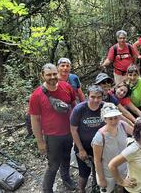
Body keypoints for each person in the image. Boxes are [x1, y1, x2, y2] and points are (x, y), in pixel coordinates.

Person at [29, 63, 76, 192]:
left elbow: (73, 104)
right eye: (48, 75)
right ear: (42, 76)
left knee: (66, 158)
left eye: (54, 74)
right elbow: (35, 119)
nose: (52, 77)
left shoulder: (66, 87)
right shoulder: (37, 95)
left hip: (68, 132)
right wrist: (40, 141)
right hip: (52, 136)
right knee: (53, 165)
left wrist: (76, 126)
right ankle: (47, 189)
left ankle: (66, 179)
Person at [70, 85, 106, 192]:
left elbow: (118, 119)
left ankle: (98, 188)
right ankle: (81, 190)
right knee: (84, 173)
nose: (96, 100)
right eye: (93, 97)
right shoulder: (79, 109)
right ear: (87, 96)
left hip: (100, 146)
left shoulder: (105, 107)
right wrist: (81, 149)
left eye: (99, 97)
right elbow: (73, 129)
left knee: (101, 170)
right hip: (84, 147)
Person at [92, 103, 133, 193]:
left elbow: (136, 134)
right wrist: (101, 179)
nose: (114, 121)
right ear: (105, 119)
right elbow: (97, 160)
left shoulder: (122, 125)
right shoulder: (99, 137)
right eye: (110, 118)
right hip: (107, 172)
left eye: (116, 117)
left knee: (121, 188)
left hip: (123, 168)